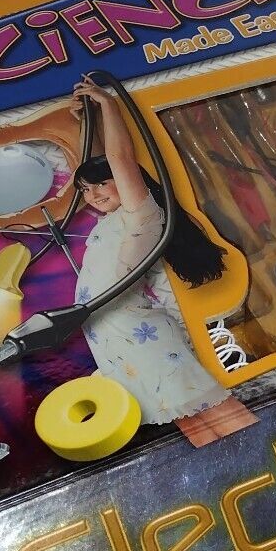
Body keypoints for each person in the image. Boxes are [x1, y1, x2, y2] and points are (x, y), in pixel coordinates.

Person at [69, 80, 257, 447]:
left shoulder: (141, 215)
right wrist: (87, 122)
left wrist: (108, 105)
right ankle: (242, 467)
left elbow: (119, 160)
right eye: (85, 191)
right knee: (187, 419)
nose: (92, 196)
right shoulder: (112, 220)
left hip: (144, 335)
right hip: (118, 344)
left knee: (211, 409)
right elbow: (100, 168)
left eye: (101, 186)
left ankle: (266, 451)